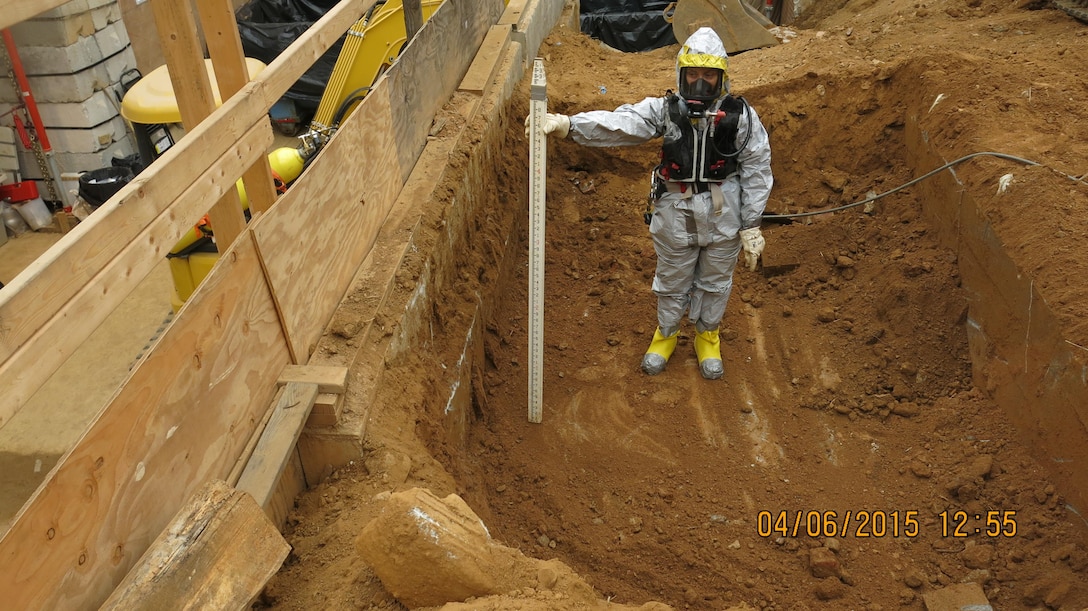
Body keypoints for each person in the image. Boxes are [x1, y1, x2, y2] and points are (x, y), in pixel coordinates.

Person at [526, 27, 773, 380]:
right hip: (677, 207)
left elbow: (757, 168)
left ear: (722, 78)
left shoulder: (741, 118)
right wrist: (569, 125)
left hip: (724, 208)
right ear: (681, 74)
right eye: (693, 74)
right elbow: (623, 123)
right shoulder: (666, 110)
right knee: (673, 278)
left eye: (709, 75)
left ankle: (708, 336)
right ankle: (666, 335)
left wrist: (751, 224)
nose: (700, 83)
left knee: (716, 279)